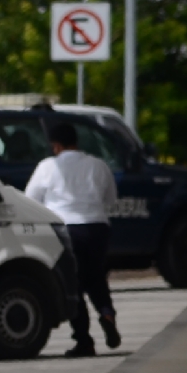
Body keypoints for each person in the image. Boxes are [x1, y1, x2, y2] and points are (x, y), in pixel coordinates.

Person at [25, 122, 120, 357]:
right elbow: (111, 200)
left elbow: (30, 199)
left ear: (56, 146)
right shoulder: (98, 165)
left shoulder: (48, 167)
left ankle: (84, 340)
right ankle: (107, 313)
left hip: (66, 229)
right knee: (96, 276)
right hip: (97, 227)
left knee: (73, 284)